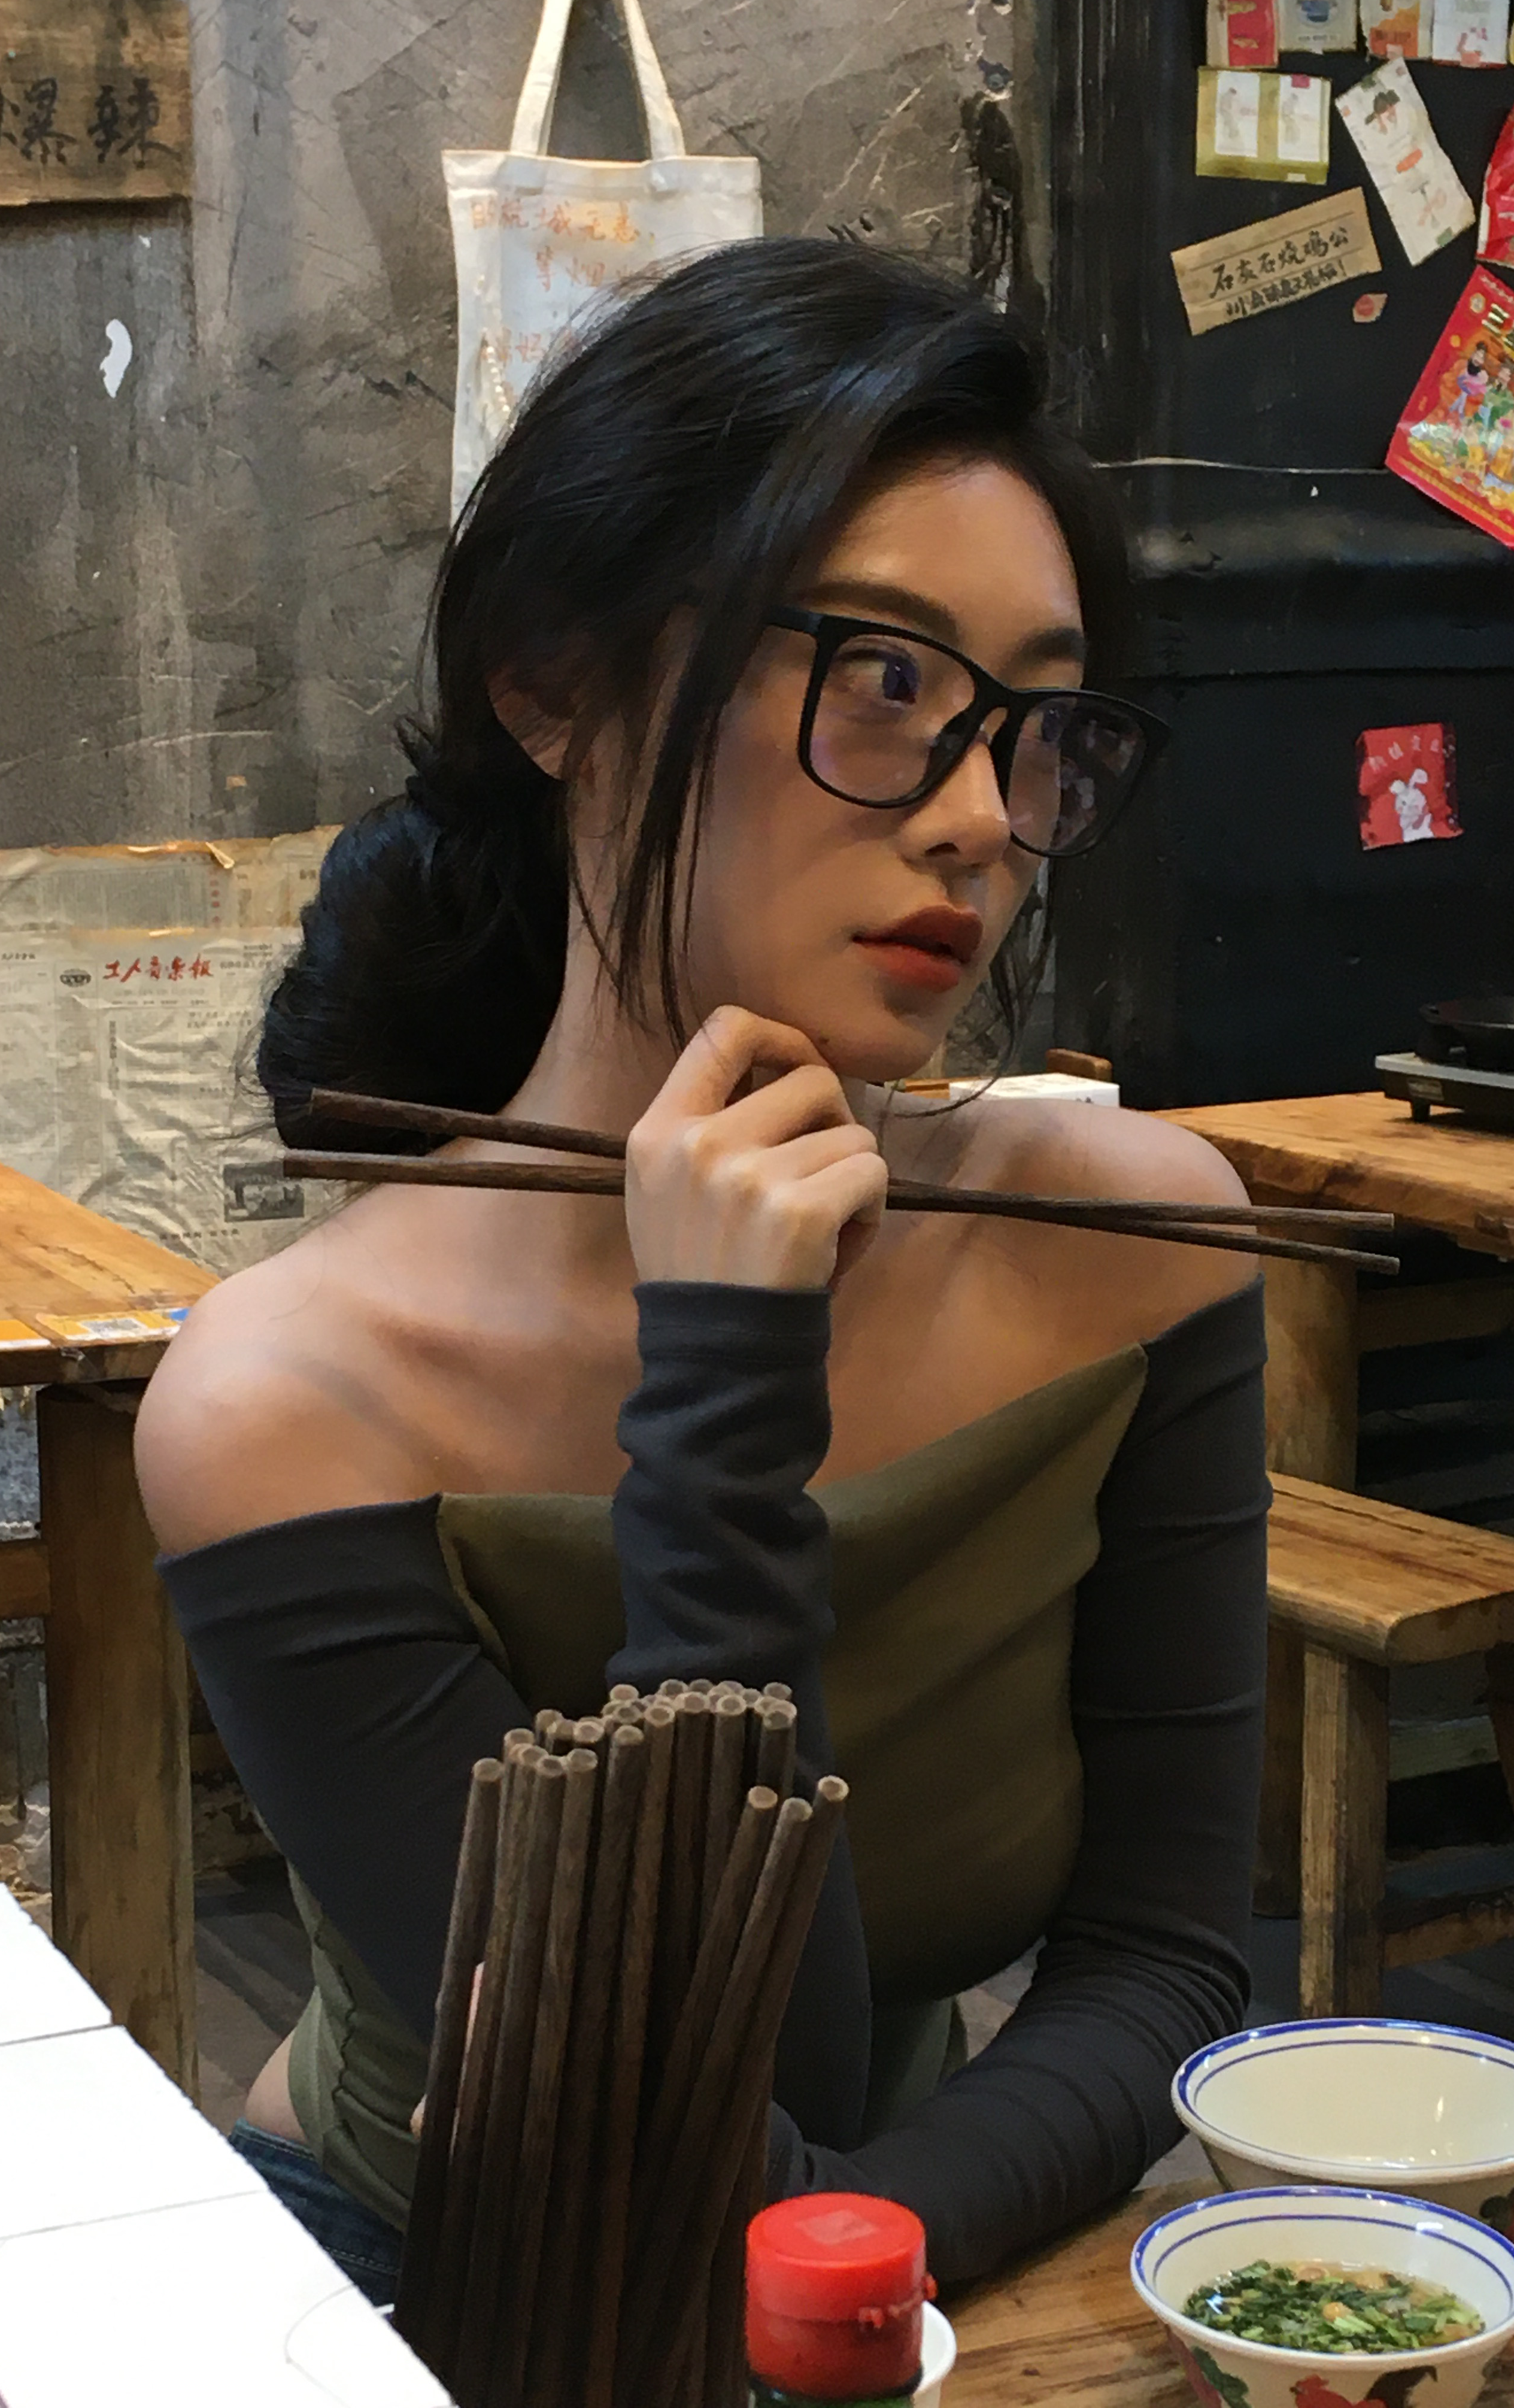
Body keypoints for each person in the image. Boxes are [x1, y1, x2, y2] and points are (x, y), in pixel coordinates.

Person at [136, 237, 1269, 2307]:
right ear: (554, 687)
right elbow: (711, 2099)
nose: (977, 819)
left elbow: (1170, 1959)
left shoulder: (1132, 1241)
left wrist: (861, 2255)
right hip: (418, 2274)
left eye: (1030, 727)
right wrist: (726, 1391)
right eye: (884, 678)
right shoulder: (289, 1405)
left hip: (910, 2253)